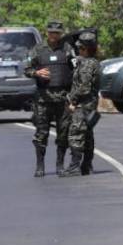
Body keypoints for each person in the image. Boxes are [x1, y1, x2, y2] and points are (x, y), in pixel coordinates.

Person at [25, 21, 75, 177]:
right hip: (43, 98)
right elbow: (27, 69)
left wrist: (74, 98)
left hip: (63, 98)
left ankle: (60, 164)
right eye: (52, 32)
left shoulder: (67, 49)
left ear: (61, 33)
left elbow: (76, 69)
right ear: (47, 32)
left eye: (57, 33)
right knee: (41, 133)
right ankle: (40, 165)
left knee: (63, 133)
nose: (54, 35)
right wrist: (36, 73)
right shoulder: (37, 50)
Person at [66, 32, 100, 176]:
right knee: (87, 135)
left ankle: (75, 167)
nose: (79, 50)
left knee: (76, 134)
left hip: (83, 104)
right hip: (90, 103)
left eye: (80, 48)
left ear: (85, 49)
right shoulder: (92, 62)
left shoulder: (87, 64)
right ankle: (87, 165)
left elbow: (84, 87)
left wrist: (73, 101)